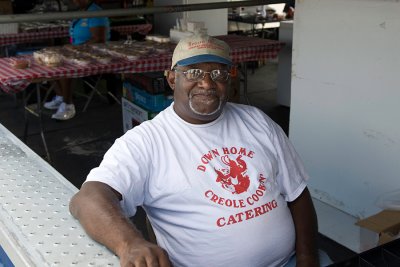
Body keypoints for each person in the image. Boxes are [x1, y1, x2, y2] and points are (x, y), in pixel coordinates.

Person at [69, 34, 332, 266]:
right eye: (193, 72)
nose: (206, 83)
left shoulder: (257, 121)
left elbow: (297, 193)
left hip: (289, 261)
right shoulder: (145, 142)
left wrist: (307, 260)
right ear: (172, 78)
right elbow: (88, 199)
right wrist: (130, 244)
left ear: (229, 78)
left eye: (217, 73)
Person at [44, 0, 110, 120]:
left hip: (95, 54)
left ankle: (68, 105)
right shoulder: (83, 11)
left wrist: (77, 48)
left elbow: (99, 39)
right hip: (79, 51)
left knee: (63, 67)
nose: (74, 1)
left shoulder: (95, 12)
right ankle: (60, 97)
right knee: (50, 60)